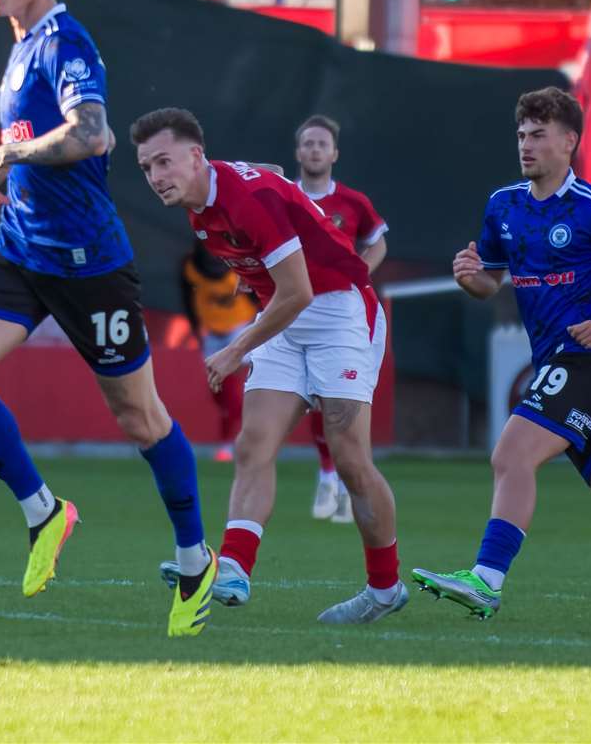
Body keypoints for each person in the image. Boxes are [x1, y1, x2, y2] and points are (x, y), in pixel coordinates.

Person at [0, 0, 214, 639]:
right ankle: (44, 513)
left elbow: (92, 133)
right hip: (23, 254)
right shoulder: (20, 48)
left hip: (89, 262)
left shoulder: (65, 42)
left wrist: (11, 157)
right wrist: (13, 160)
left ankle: (194, 560)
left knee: (140, 418)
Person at [131, 107, 405, 625]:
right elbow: (271, 181)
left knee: (350, 461)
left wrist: (235, 349)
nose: (156, 178)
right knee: (253, 443)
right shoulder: (202, 199)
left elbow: (299, 289)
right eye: (147, 168)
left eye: (164, 162)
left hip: (339, 310)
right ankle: (234, 566)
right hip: (285, 315)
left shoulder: (242, 198)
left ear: (196, 156)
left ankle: (385, 589)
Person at [413, 87, 591, 619]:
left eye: (538, 135)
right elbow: (491, 282)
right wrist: (470, 278)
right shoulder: (504, 205)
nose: (526, 144)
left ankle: (486, 580)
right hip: (556, 363)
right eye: (521, 134)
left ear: (569, 142)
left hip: (587, 362)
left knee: (511, 455)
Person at [294, 114, 389, 524]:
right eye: (308, 143)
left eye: (321, 144)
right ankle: (328, 474)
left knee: (341, 400)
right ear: (298, 152)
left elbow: (377, 242)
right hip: (294, 313)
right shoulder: (281, 196)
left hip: (342, 316)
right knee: (310, 398)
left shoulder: (352, 202)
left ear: (334, 153)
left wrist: (359, 272)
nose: (315, 150)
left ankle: (348, 480)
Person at [178, 241, 253, 462]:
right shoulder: (190, 267)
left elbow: (254, 293)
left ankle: (230, 443)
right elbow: (188, 300)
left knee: (233, 389)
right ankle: (232, 430)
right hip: (212, 331)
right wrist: (195, 330)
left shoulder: (235, 261)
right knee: (217, 389)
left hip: (240, 328)